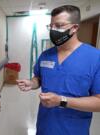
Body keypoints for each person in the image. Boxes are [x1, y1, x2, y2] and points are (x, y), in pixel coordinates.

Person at [17, 5, 100, 135]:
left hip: (73, 129)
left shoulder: (95, 58)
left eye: (59, 25)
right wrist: (32, 83)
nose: (53, 30)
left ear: (74, 28)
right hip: (44, 126)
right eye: (51, 26)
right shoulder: (46, 55)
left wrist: (62, 101)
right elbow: (39, 78)